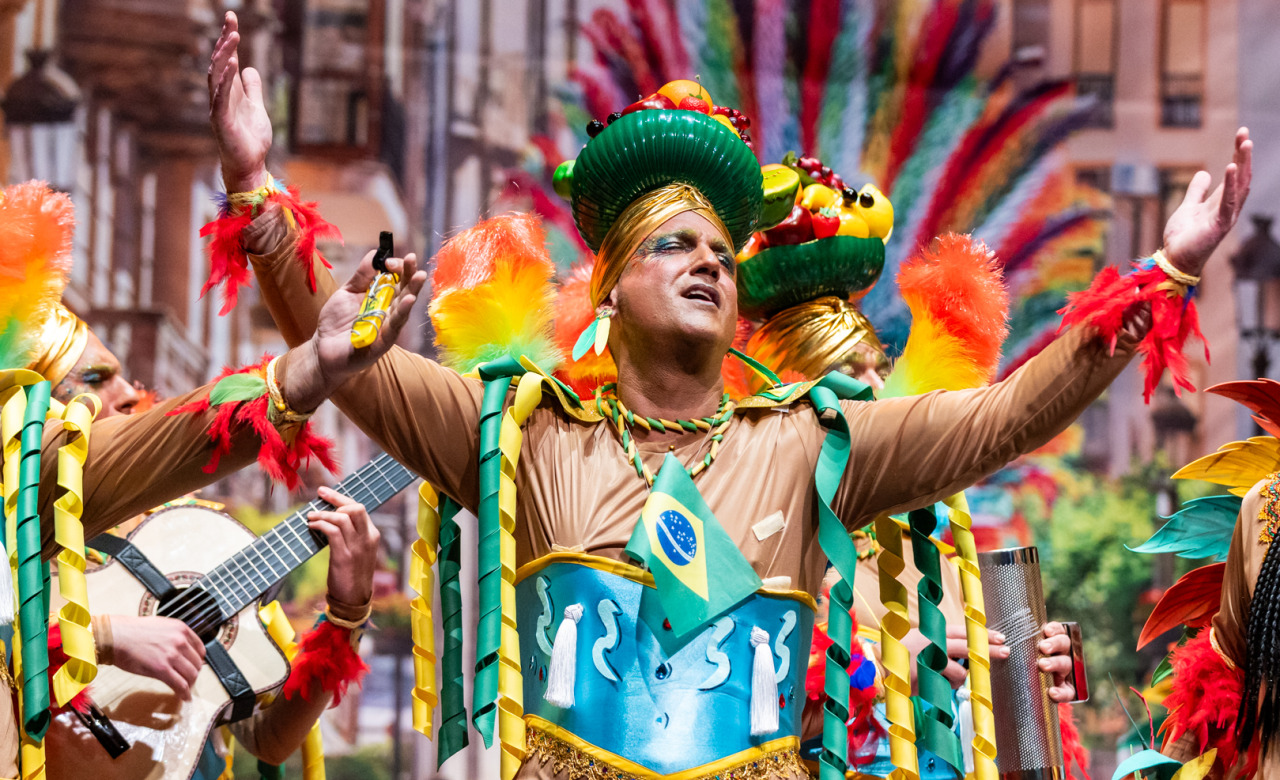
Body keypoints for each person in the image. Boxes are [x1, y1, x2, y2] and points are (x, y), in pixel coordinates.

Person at [206, 11, 1250, 778]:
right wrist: (258, 195)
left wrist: (1160, 276)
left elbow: (1005, 416)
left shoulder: (811, 443)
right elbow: (338, 355)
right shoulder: (515, 431)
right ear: (611, 281)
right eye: (674, 245)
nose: (707, 262)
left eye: (721, 249)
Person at [0, 181, 416, 777]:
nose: (124, 394)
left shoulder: (196, 537)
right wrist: (111, 635)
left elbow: (268, 740)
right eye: (92, 384)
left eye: (118, 377)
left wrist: (346, 613)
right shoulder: (12, 525)